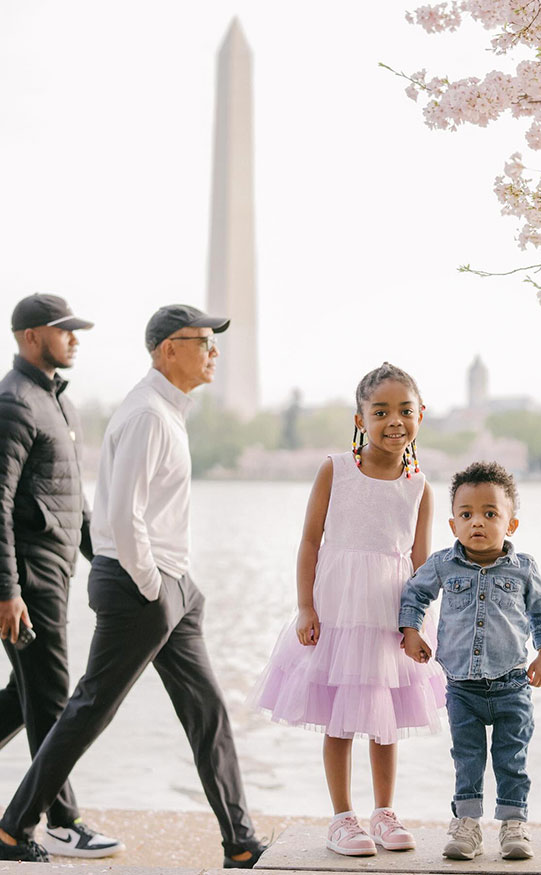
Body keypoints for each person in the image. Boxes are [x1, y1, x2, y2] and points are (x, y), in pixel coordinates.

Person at [0, 304, 266, 868]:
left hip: (172, 584)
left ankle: (239, 842)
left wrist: (174, 584)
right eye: (202, 341)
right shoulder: (146, 413)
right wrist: (149, 584)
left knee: (208, 710)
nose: (213, 352)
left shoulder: (165, 411)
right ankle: (14, 827)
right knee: (89, 707)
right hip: (143, 586)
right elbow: (123, 514)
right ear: (169, 348)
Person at [252, 362, 445, 856]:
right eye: (380, 411)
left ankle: (384, 812)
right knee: (339, 715)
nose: (394, 420)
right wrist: (304, 608)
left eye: (404, 410)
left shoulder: (419, 485)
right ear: (360, 419)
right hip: (338, 613)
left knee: (384, 716)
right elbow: (310, 543)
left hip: (389, 615)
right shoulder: (335, 469)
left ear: (420, 415)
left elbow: (421, 563)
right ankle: (342, 817)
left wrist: (415, 625)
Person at [0, 293, 123, 859]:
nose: (75, 337)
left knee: (21, 695)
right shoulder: (14, 402)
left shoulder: (59, 403)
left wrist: (112, 562)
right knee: (50, 696)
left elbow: (75, 505)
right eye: (63, 329)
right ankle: (61, 818)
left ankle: (53, 814)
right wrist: (8, 592)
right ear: (30, 337)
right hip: (27, 578)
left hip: (52, 572)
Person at [399, 461, 541, 861]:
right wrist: (411, 631)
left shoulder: (523, 569)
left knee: (512, 757)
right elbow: (415, 594)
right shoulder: (443, 564)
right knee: (467, 758)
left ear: (511, 525)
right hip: (462, 689)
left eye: (490, 514)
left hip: (512, 685)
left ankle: (513, 824)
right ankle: (467, 824)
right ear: (453, 524)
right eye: (466, 514)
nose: (478, 523)